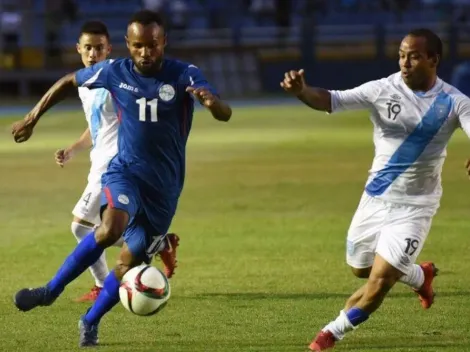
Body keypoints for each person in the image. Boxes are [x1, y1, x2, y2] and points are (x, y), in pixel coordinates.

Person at [11, 9, 232, 347]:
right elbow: (70, 80)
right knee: (108, 229)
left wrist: (212, 102)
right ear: (128, 45)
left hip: (164, 190)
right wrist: (32, 117)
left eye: (153, 45)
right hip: (124, 171)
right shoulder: (114, 71)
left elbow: (224, 113)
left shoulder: (184, 73)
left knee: (128, 262)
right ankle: (49, 291)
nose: (146, 53)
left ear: (164, 42)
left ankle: (90, 321)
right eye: (139, 46)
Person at [281, 28, 470, 351]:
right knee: (361, 269)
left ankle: (327, 335)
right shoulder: (383, 89)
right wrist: (302, 91)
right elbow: (331, 99)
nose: (404, 62)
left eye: (413, 56)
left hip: (415, 205)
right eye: (401, 55)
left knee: (380, 282)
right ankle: (419, 277)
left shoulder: (454, 102)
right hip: (376, 197)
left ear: (433, 59)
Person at [56, 20, 179, 303]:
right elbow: (97, 125)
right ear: (78, 49)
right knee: (107, 227)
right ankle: (158, 243)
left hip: (116, 163)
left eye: (99, 48)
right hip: (97, 159)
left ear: (109, 49)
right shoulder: (85, 83)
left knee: (80, 225)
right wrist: (74, 148)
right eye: (87, 48)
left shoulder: (115, 77)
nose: (92, 54)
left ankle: (101, 285)